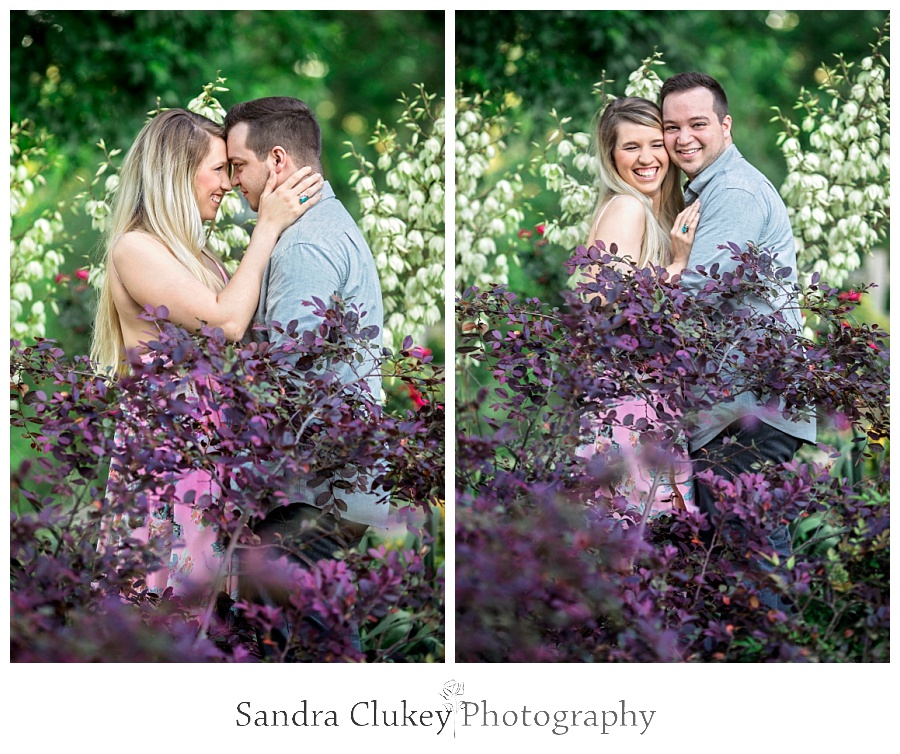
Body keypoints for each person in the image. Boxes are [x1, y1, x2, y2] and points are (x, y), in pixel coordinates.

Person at [92, 107, 324, 604]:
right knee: (166, 617)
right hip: (170, 460)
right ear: (177, 172)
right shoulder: (135, 248)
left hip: (210, 461)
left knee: (212, 622)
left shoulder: (198, 258)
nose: (226, 184)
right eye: (219, 169)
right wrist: (267, 226)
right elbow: (226, 323)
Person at [222, 97, 389, 637]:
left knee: (313, 645)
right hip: (338, 482)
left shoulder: (303, 245)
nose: (232, 182)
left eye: (238, 165)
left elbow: (293, 380)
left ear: (276, 161)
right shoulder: (329, 224)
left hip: (314, 488)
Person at [659, 72, 816, 601]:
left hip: (747, 411)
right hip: (740, 411)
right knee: (740, 567)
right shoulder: (714, 189)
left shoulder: (731, 190)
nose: (684, 138)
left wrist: (677, 264)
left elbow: (697, 299)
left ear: (724, 126)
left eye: (698, 124)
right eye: (671, 127)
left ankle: (783, 667)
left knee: (754, 569)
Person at [574, 97, 700, 519]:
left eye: (654, 144)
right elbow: (603, 307)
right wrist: (678, 265)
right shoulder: (627, 208)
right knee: (639, 535)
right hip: (629, 404)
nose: (646, 158)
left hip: (646, 401)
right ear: (612, 156)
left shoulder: (652, 212)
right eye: (631, 147)